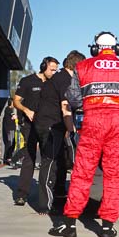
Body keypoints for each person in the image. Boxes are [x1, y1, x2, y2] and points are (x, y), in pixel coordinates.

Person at [48, 31, 119, 237]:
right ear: (117, 48)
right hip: (118, 125)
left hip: (92, 123)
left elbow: (73, 99)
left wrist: (93, 103)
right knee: (113, 175)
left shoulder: (82, 67)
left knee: (82, 172)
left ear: (94, 48)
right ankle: (108, 227)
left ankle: (69, 224)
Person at [34, 51, 86, 215]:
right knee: (50, 163)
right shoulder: (65, 80)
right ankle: (45, 204)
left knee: (59, 161)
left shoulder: (61, 78)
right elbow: (65, 107)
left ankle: (56, 197)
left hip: (52, 124)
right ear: (77, 67)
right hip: (50, 125)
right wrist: (71, 129)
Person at [13, 57, 60, 206]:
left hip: (48, 126)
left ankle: (47, 197)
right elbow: (16, 101)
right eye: (52, 69)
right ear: (43, 66)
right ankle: (22, 194)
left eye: (56, 70)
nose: (54, 72)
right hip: (30, 126)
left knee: (49, 160)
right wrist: (26, 110)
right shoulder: (28, 81)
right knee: (29, 158)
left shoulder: (54, 84)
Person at [2, 98, 17, 165]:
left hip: (11, 129)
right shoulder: (8, 109)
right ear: (11, 103)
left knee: (12, 144)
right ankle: (6, 159)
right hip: (9, 130)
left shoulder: (10, 109)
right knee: (10, 144)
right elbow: (14, 116)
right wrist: (14, 116)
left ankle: (9, 158)